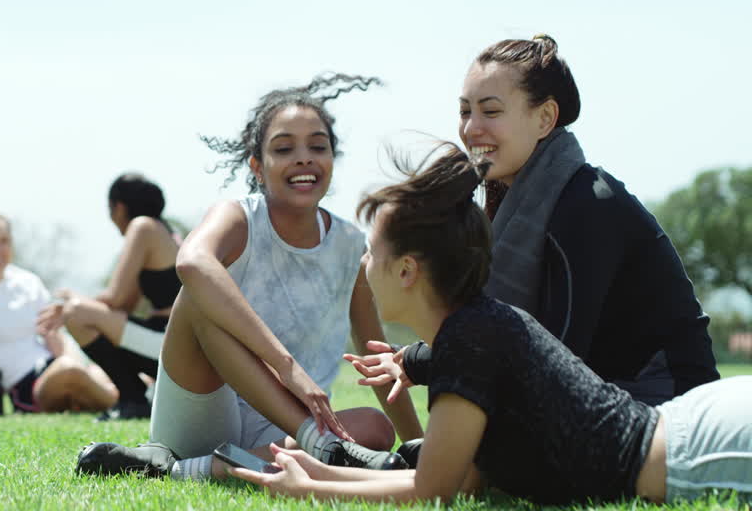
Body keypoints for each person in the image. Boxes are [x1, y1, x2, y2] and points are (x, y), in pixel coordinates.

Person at [229, 144, 751, 505]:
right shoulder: (470, 332)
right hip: (700, 430)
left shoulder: (469, 338)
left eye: (371, 253)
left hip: (706, 450)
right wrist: (324, 471)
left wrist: (311, 489)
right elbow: (461, 477)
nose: (363, 266)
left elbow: (434, 491)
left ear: (407, 270)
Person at [355, 37, 717, 445]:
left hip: (669, 407)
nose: (472, 128)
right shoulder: (514, 203)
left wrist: (423, 360)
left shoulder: (588, 203)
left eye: (490, 111)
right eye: (464, 111)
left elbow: (549, 353)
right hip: (609, 396)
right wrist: (416, 359)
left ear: (545, 118)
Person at [77, 74, 423, 481]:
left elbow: (372, 355)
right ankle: (314, 444)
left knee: (374, 428)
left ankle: (181, 471)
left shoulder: (350, 243)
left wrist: (420, 446)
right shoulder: (238, 216)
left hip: (289, 428)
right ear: (258, 167)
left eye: (318, 146)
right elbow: (192, 263)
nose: (304, 157)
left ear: (332, 160)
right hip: (202, 409)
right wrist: (286, 366)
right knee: (202, 291)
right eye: (283, 148)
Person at [36, 173, 182, 420]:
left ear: (119, 207)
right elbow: (125, 304)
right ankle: (133, 398)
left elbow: (114, 298)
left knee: (76, 314)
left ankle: (133, 398)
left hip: (169, 340)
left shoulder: (143, 227)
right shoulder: (163, 231)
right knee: (78, 311)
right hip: (165, 339)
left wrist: (73, 300)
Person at [0, 213, 117, 413]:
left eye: (4, 241)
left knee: (94, 370)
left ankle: (130, 397)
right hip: (25, 387)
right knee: (70, 372)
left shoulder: (28, 281)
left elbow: (52, 333)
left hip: (52, 366)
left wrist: (74, 363)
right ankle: (126, 404)